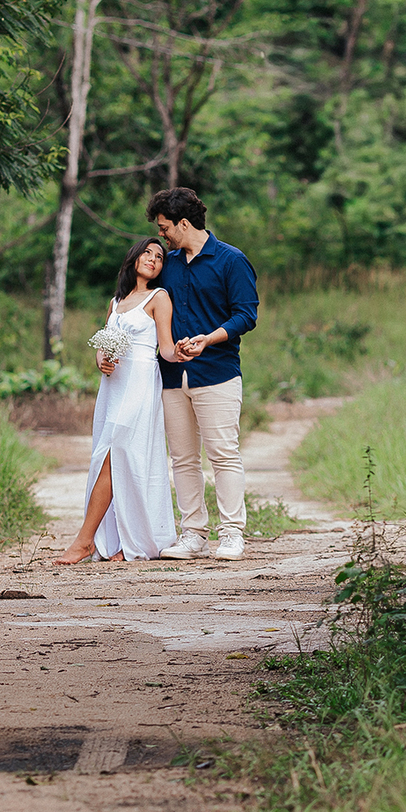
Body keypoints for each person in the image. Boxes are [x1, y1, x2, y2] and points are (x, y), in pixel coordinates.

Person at [52, 236, 180, 565]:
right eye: (148, 253)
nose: (154, 259)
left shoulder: (158, 297)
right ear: (134, 257)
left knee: (120, 456)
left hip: (139, 384)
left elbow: (163, 348)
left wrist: (180, 353)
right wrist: (100, 359)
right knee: (110, 459)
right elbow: (104, 345)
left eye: (160, 257)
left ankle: (84, 541)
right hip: (113, 387)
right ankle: (122, 541)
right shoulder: (116, 300)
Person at [148, 187, 258, 561]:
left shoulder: (231, 260)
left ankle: (232, 534)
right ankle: (193, 533)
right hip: (171, 376)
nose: (161, 235)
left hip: (218, 372)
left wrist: (208, 339)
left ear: (183, 222)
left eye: (164, 228)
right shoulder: (170, 264)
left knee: (223, 454)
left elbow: (246, 315)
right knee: (181, 457)